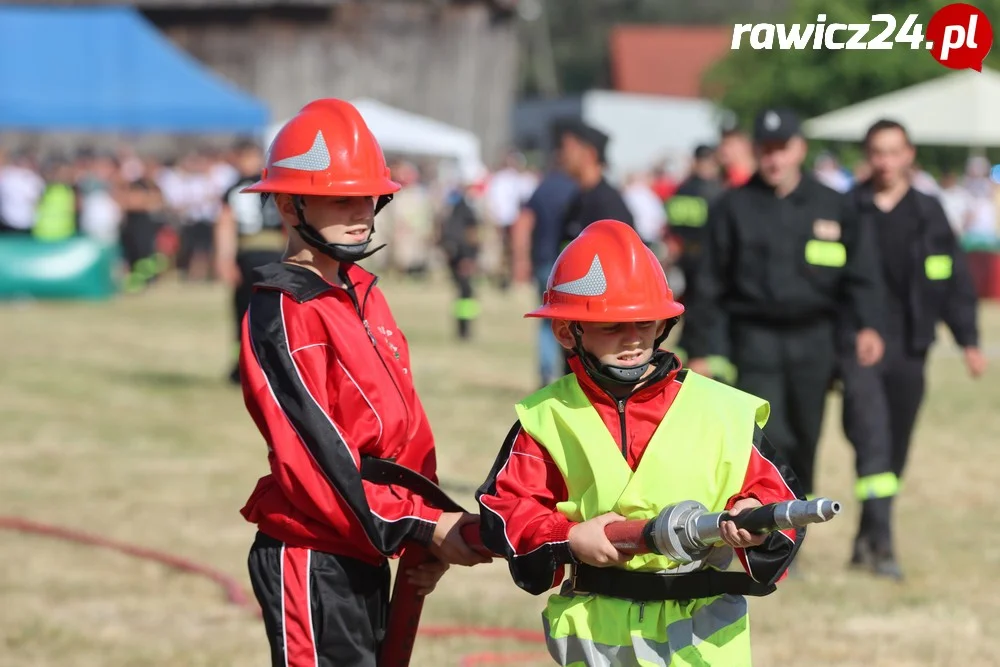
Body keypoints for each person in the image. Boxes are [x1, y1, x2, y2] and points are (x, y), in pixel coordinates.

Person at [476, 219, 804, 667]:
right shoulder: (546, 417)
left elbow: (782, 503)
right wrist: (568, 537)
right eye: (612, 326)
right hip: (597, 634)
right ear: (566, 331)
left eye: (644, 323)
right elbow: (506, 510)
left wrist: (755, 522)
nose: (633, 340)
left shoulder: (722, 410)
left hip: (703, 635)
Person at [237, 99, 490, 667]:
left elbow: (405, 430)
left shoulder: (364, 291)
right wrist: (421, 525)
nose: (362, 213)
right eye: (340, 197)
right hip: (315, 552)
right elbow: (317, 458)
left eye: (370, 197)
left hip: (371, 541)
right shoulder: (285, 308)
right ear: (287, 203)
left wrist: (423, 526)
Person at [683, 108, 885, 501]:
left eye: (783, 149)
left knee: (806, 435)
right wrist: (701, 348)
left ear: (800, 150)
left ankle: (797, 526)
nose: (775, 159)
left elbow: (862, 276)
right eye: (767, 149)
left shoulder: (833, 205)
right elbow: (708, 284)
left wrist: (869, 325)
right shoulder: (732, 207)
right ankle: (769, 528)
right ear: (756, 151)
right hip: (755, 339)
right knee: (770, 436)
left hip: (814, 339)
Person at [841, 119, 986, 580]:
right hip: (859, 344)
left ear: (909, 155)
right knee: (872, 439)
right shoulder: (849, 208)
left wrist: (968, 340)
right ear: (868, 156)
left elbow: (953, 279)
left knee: (895, 447)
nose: (885, 161)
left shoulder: (928, 211)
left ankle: (866, 536)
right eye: (877, 152)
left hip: (911, 345)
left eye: (893, 152)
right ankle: (884, 546)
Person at [214, 139, 286, 384]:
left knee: (248, 312)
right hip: (270, 255)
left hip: (254, 255)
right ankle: (258, 365)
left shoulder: (235, 189)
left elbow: (225, 225)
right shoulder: (277, 185)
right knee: (268, 312)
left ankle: (248, 367)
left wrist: (225, 259)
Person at [665, 144, 725, 304]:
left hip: (685, 255)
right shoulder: (717, 191)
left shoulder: (681, 189)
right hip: (706, 257)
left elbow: (670, 226)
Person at [438, 178, 482, 340]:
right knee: (466, 293)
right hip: (463, 257)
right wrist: (469, 257)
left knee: (463, 293)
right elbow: (471, 235)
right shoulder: (466, 210)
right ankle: (465, 329)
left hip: (457, 257)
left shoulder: (454, 209)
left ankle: (463, 328)